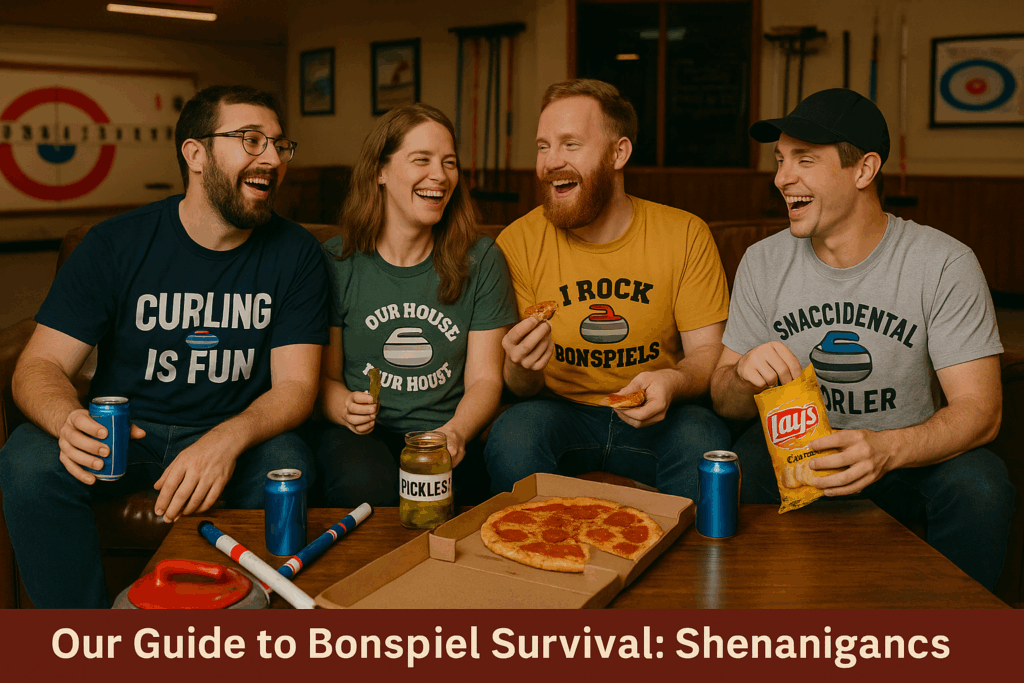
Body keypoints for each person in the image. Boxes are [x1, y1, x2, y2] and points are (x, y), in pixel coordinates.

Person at [0, 85, 329, 608]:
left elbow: (295, 386)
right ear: (195, 154)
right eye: (250, 140)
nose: (271, 157)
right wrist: (67, 421)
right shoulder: (114, 244)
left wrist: (227, 439)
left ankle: (231, 640)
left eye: (278, 145)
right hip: (126, 438)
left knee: (288, 461)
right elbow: (38, 365)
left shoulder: (296, 253)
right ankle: (79, 649)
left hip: (233, 435)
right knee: (26, 459)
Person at [709, 87, 1014, 591]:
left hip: (907, 455)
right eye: (781, 160)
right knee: (732, 472)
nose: (783, 177)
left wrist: (887, 449)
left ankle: (964, 646)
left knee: (982, 487)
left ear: (864, 170)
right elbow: (723, 400)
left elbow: (982, 411)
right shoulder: (762, 261)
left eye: (804, 159)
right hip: (794, 451)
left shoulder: (943, 263)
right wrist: (742, 376)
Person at [484, 79, 732, 497]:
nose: (550, 162)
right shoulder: (517, 242)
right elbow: (519, 388)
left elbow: (707, 357)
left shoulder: (685, 233)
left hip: (661, 415)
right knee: (512, 436)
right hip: (560, 411)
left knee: (704, 441)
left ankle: (687, 561)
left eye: (570, 144)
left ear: (619, 153)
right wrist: (519, 367)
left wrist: (671, 381)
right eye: (543, 146)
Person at [314, 103, 515, 507]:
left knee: (468, 504)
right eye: (421, 159)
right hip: (359, 436)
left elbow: (485, 380)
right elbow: (323, 380)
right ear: (380, 171)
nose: (439, 175)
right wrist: (343, 407)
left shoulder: (482, 258)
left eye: (449, 162)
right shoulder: (336, 263)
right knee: (367, 491)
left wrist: (456, 433)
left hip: (448, 432)